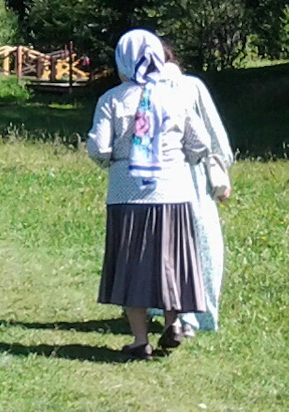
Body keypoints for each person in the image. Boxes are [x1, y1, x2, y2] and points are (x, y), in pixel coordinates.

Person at [87, 29, 213, 358]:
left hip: (127, 197)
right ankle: (173, 323)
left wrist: (116, 159)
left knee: (133, 267)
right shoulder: (176, 95)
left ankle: (140, 340)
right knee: (170, 263)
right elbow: (201, 144)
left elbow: (99, 148)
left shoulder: (112, 100)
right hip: (173, 193)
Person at [156, 44, 233, 338]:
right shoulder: (191, 86)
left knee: (168, 247)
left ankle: (173, 313)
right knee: (201, 245)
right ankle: (195, 315)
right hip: (193, 179)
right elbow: (213, 135)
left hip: (160, 180)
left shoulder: (143, 89)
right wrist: (221, 167)